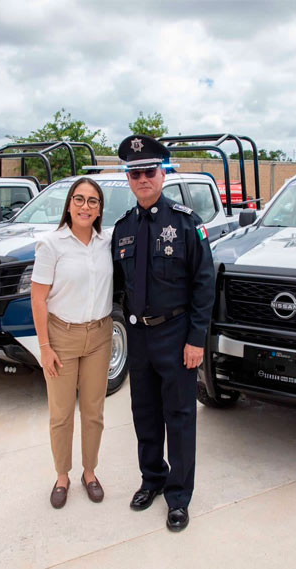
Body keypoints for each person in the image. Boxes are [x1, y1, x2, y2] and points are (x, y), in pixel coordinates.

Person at [111, 134, 215, 531]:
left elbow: (204, 284)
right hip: (138, 336)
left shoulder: (186, 223)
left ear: (163, 173)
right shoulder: (123, 228)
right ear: (129, 178)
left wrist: (196, 339)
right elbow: (117, 287)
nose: (142, 179)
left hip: (176, 335)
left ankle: (178, 496)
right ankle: (151, 479)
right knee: (145, 414)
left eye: (149, 171)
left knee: (180, 416)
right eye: (134, 173)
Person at [30, 177, 114, 509]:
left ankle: (89, 472)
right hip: (61, 337)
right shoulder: (51, 245)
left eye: (92, 201)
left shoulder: (106, 242)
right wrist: (45, 347)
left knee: (94, 411)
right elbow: (38, 300)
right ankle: (62, 475)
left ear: (99, 210)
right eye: (79, 199)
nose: (85, 206)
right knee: (61, 413)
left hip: (99, 335)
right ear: (68, 204)